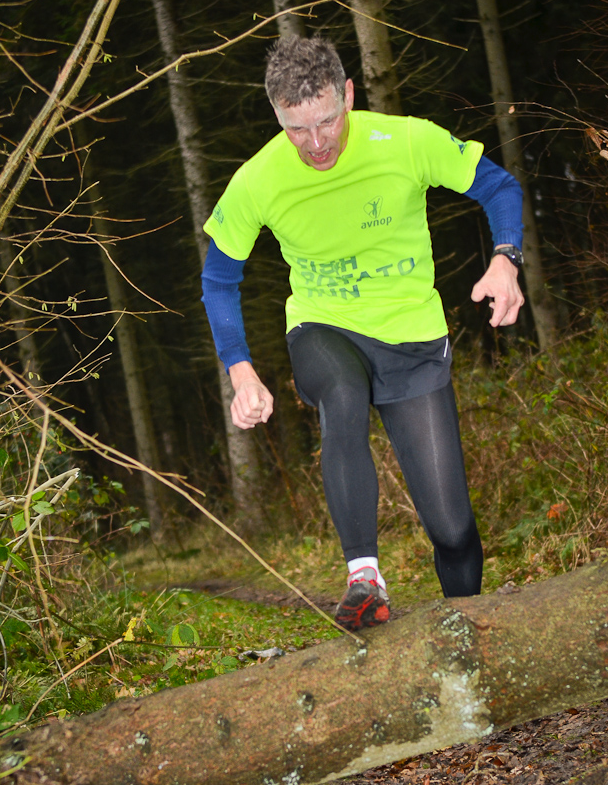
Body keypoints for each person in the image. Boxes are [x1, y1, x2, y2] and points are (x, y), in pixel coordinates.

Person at [202, 35, 524, 631]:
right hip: (324, 329)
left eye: (327, 121)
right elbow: (219, 277)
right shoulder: (258, 179)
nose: (317, 143)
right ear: (276, 115)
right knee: (342, 392)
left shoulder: (405, 139)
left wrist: (506, 259)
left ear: (348, 95)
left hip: (411, 336)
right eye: (297, 129)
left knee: (453, 532)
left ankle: (471, 644)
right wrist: (239, 367)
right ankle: (364, 578)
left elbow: (499, 187)